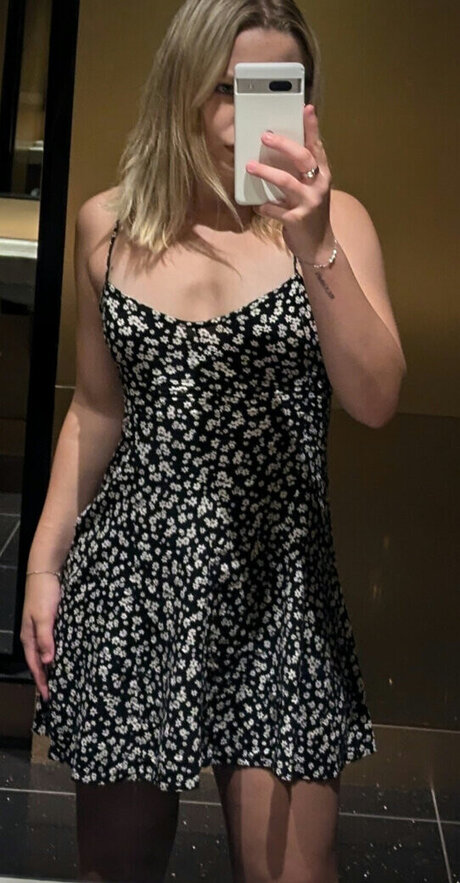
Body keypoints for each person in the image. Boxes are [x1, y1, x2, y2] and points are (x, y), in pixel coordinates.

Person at [21, 0, 407, 881]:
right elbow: (96, 411)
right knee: (117, 866)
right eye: (232, 89)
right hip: (133, 579)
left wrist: (314, 242)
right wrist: (44, 565)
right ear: (181, 91)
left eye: (281, 85)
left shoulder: (336, 223)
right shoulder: (107, 227)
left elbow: (377, 399)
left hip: (280, 586)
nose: (254, 112)